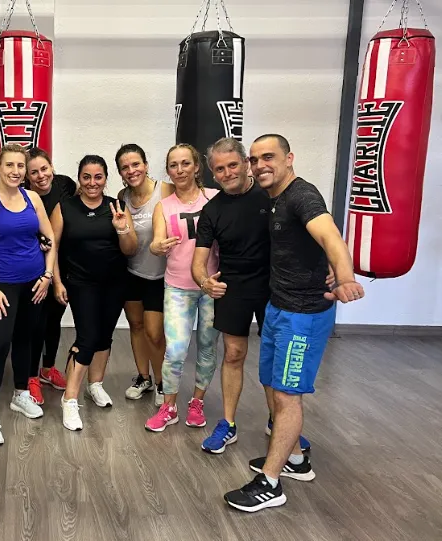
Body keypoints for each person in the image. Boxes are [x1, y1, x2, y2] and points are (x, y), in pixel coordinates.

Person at [223, 134, 364, 512]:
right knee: (271, 384)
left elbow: (330, 235)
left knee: (287, 395)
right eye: (254, 159)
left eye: (268, 157)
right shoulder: (275, 198)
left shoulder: (302, 196)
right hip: (279, 307)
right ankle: (296, 459)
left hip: (304, 314)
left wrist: (344, 276)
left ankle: (270, 483)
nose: (260, 165)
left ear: (289, 158)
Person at [193, 138, 330, 454]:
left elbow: (317, 231)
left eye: (232, 165)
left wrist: (337, 265)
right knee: (233, 354)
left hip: (274, 286)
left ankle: (278, 421)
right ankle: (228, 423)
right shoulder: (212, 210)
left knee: (276, 360)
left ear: (245, 164)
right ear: (213, 173)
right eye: (219, 169)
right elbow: (199, 262)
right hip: (233, 288)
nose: (227, 173)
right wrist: (204, 282)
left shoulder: (272, 195)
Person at [0, 144, 57, 446]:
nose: (16, 171)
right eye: (10, 165)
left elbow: (50, 238)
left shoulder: (32, 198)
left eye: (20, 166)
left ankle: (20, 394)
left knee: (25, 340)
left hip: (34, 283)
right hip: (2, 287)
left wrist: (47, 275)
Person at [51, 155, 138, 431]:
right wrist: (56, 282)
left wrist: (123, 229)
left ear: (105, 179)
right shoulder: (65, 207)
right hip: (80, 283)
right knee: (87, 338)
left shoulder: (117, 206)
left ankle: (95, 384)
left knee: (104, 336)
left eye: (98, 177)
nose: (92, 183)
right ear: (79, 178)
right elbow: (52, 248)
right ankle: (69, 399)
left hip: (114, 282)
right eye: (86, 177)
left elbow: (130, 249)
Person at [144, 144, 220, 432]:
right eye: (173, 165)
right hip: (177, 287)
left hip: (212, 287)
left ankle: (197, 402)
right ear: (168, 170)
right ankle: (169, 407)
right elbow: (155, 242)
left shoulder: (215, 198)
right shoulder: (164, 206)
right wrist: (157, 246)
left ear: (197, 166)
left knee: (207, 346)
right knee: (175, 350)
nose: (179, 170)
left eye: (185, 163)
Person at [116, 144, 173, 405]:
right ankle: (144, 378)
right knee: (136, 325)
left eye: (136, 164)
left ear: (146, 165)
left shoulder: (166, 190)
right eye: (125, 167)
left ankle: (162, 382)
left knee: (154, 332)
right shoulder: (122, 196)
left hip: (160, 275)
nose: (131, 171)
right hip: (131, 272)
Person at [24, 147, 75, 403]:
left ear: (52, 167)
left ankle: (47, 368)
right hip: (34, 267)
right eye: (34, 172)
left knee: (54, 319)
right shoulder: (23, 195)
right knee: (36, 323)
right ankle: (31, 376)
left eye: (44, 169)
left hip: (62, 264)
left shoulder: (66, 185)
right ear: (27, 176)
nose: (41, 175)